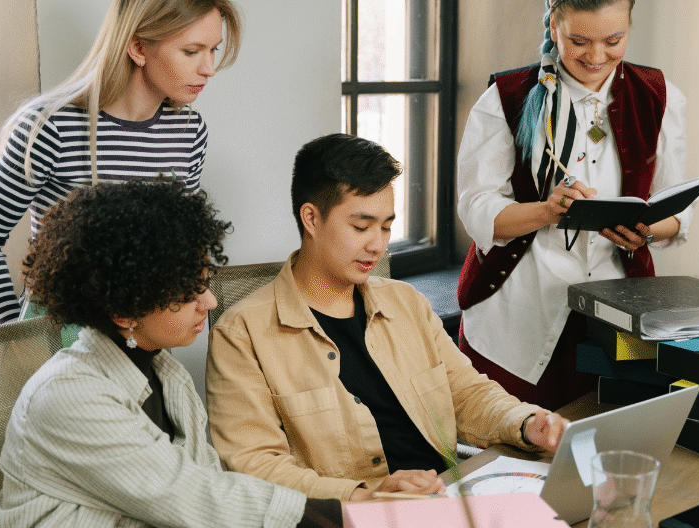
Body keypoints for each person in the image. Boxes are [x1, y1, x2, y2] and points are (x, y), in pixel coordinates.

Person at [0, 178, 341, 528]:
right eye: (189, 292)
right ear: (125, 312)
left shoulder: (167, 375)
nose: (208, 302)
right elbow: (188, 492)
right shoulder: (68, 395)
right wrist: (352, 516)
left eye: (205, 285)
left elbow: (186, 505)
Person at [205, 134, 567, 503]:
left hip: (445, 500)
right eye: (361, 227)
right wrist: (366, 493)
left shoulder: (405, 302)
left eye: (386, 226)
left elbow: (466, 394)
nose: (377, 245)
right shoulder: (242, 333)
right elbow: (255, 467)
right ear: (311, 218)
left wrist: (525, 424)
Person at [455, 0, 692, 411]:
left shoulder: (660, 96)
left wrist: (649, 229)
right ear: (553, 25)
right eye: (578, 41)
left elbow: (678, 210)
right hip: (515, 322)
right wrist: (547, 211)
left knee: (605, 458)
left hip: (616, 320)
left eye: (614, 40)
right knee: (509, 460)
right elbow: (476, 207)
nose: (597, 57)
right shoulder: (506, 98)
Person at [0, 0, 242, 325]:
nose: (209, 68)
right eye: (192, 51)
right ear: (138, 47)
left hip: (142, 342)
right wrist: (21, 338)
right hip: (59, 347)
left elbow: (184, 247)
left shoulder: (189, 131)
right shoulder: (50, 127)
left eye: (214, 51)